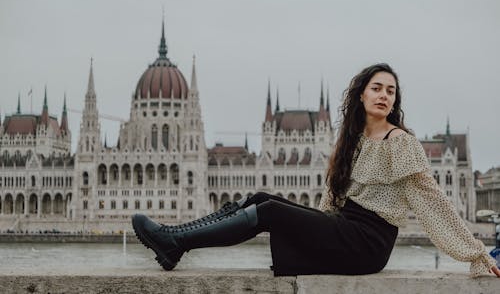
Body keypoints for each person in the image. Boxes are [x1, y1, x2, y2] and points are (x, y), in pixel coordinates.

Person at [132, 63, 500, 277]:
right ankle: (175, 239)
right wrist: (310, 227)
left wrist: (476, 253)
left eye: (391, 90)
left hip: (368, 242)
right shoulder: (351, 141)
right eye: (377, 88)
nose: (384, 95)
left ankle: (175, 242)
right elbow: (332, 201)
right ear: (361, 95)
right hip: (344, 227)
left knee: (271, 210)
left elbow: (430, 198)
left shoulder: (400, 142)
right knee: (263, 197)